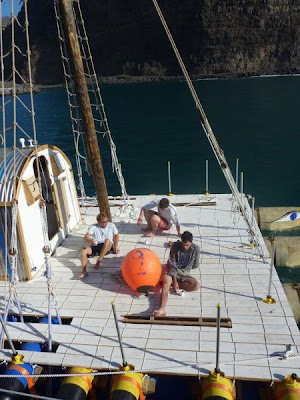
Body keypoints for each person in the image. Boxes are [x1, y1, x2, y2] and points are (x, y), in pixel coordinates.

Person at [153, 231, 200, 317]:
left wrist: (179, 279)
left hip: (184, 272)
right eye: (183, 244)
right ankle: (162, 309)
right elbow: (172, 264)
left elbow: (195, 265)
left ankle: (176, 284)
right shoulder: (175, 246)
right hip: (171, 270)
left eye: (187, 245)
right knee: (166, 285)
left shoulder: (196, 249)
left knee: (196, 286)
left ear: (191, 243)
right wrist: (174, 280)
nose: (185, 247)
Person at [78, 213, 120, 279]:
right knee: (84, 250)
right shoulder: (94, 227)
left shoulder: (111, 225)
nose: (105, 223)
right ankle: (84, 271)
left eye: (106, 221)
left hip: (108, 245)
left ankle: (99, 261)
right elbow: (86, 237)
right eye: (103, 222)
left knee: (107, 240)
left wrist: (116, 247)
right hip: (97, 245)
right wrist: (91, 241)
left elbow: (116, 235)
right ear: (98, 222)